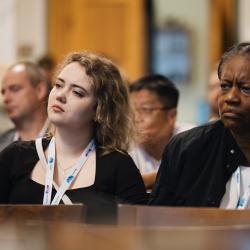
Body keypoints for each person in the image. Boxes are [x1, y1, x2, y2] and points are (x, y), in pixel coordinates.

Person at [0, 51, 147, 205]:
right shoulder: (15, 155)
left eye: (77, 92)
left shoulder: (119, 165)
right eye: (58, 85)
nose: (60, 95)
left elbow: (138, 227)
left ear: (99, 110)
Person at [149, 42, 250, 208]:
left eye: (246, 88)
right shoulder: (187, 148)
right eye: (224, 86)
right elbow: (157, 221)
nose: (230, 97)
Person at [129, 74, 194, 189]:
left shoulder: (191, 139)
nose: (136, 118)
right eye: (131, 110)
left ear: (171, 116)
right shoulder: (126, 145)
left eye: (145, 109)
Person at [0, 62, 50, 151]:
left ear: (40, 90)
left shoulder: (66, 139)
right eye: (3, 92)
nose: (6, 99)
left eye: (15, 89)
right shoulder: (2, 144)